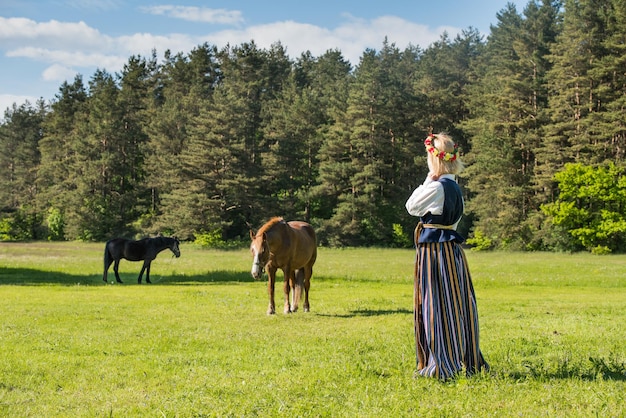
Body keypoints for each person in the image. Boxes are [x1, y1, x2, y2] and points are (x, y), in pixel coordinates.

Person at [405, 132, 488, 379]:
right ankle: (463, 355)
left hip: (434, 254)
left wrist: (428, 180)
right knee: (455, 302)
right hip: (450, 252)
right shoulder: (453, 185)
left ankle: (442, 361)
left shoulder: (437, 187)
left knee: (435, 304)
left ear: (435, 160)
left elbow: (411, 207)